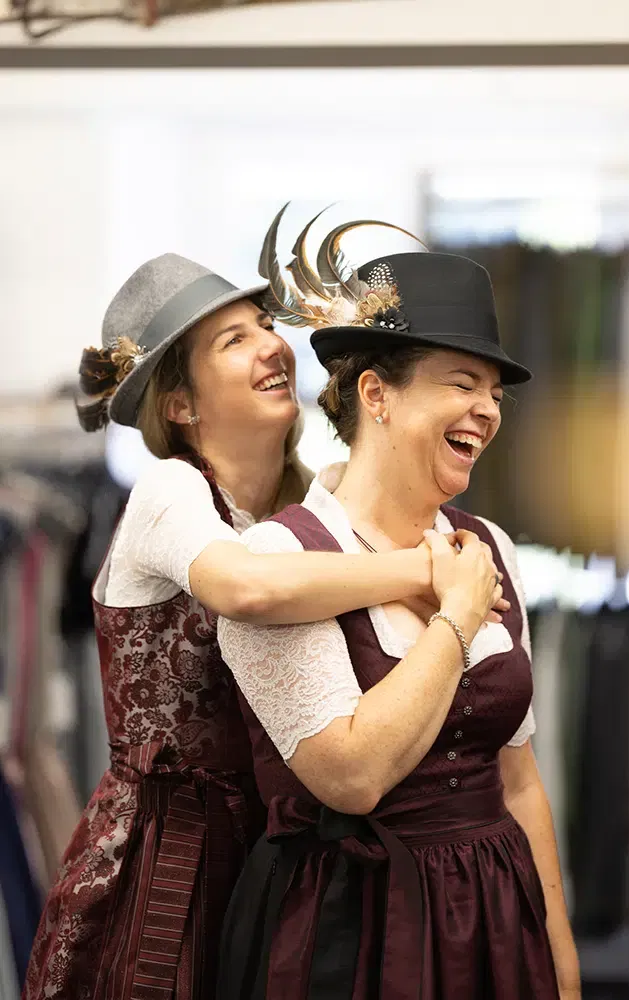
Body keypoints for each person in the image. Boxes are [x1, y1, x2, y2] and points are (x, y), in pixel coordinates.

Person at [23, 252, 505, 1000]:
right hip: (170, 857)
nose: (273, 346)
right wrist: (431, 578)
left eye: (264, 325)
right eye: (234, 340)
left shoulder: (303, 512)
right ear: (179, 405)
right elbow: (245, 587)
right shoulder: (169, 490)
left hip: (278, 854)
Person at [216, 229, 581, 999]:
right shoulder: (281, 561)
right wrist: (455, 617)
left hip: (495, 916)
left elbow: (518, 780)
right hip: (352, 931)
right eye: (462, 383)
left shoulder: (488, 544)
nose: (486, 410)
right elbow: (351, 777)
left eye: (494, 393)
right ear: (376, 394)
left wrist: (559, 961)